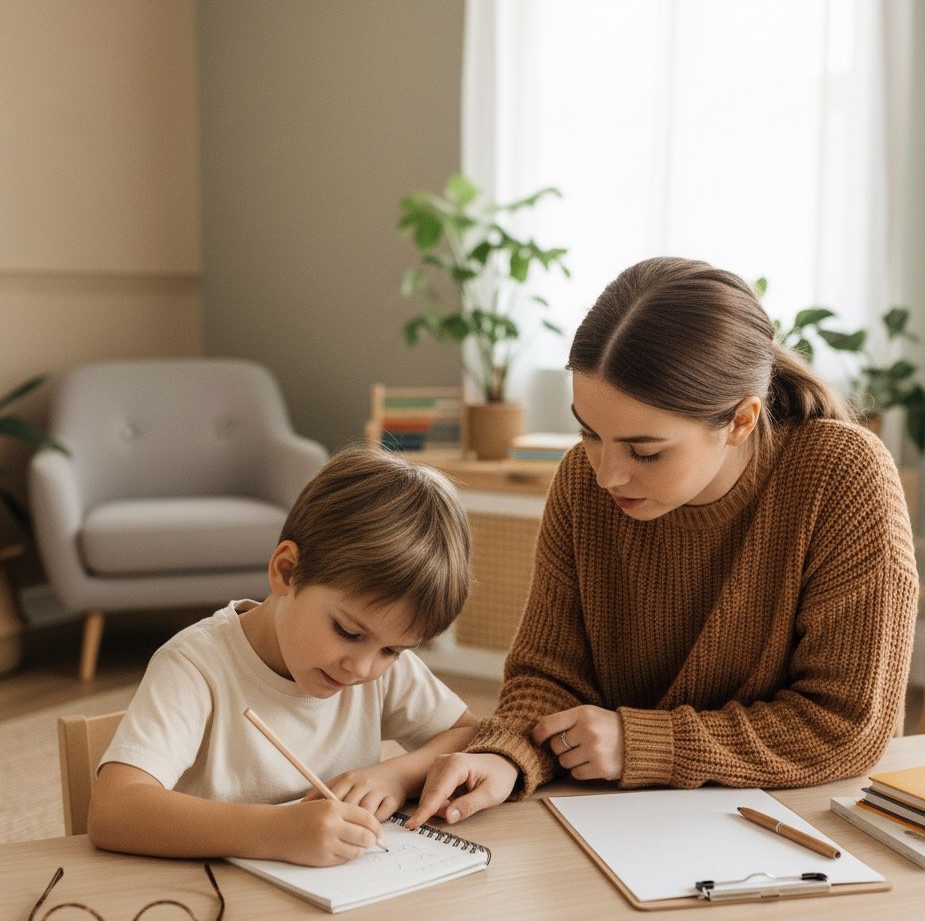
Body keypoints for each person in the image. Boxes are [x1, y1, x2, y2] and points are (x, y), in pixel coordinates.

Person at [408, 256, 918, 830]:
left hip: (795, 819)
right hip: (615, 817)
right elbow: (549, 676)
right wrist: (504, 754)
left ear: (741, 421)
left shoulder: (843, 475)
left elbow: (845, 726)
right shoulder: (582, 480)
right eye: (588, 432)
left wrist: (646, 742)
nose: (606, 474)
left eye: (645, 452)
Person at [89, 446, 475, 866]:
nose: (362, 668)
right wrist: (276, 832)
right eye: (347, 632)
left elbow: (472, 734)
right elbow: (114, 811)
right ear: (287, 571)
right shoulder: (195, 666)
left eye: (392, 650)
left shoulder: (379, 668)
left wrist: (398, 775)